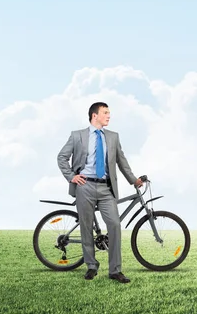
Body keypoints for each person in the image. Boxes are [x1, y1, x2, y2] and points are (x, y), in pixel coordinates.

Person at [57, 101, 143, 283]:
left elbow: (122, 161)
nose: (109, 116)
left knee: (114, 225)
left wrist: (133, 180)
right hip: (84, 186)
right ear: (94, 115)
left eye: (109, 112)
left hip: (106, 188)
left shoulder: (113, 137)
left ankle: (115, 270)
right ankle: (91, 266)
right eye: (105, 112)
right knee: (86, 227)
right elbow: (62, 157)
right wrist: (72, 176)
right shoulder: (77, 135)